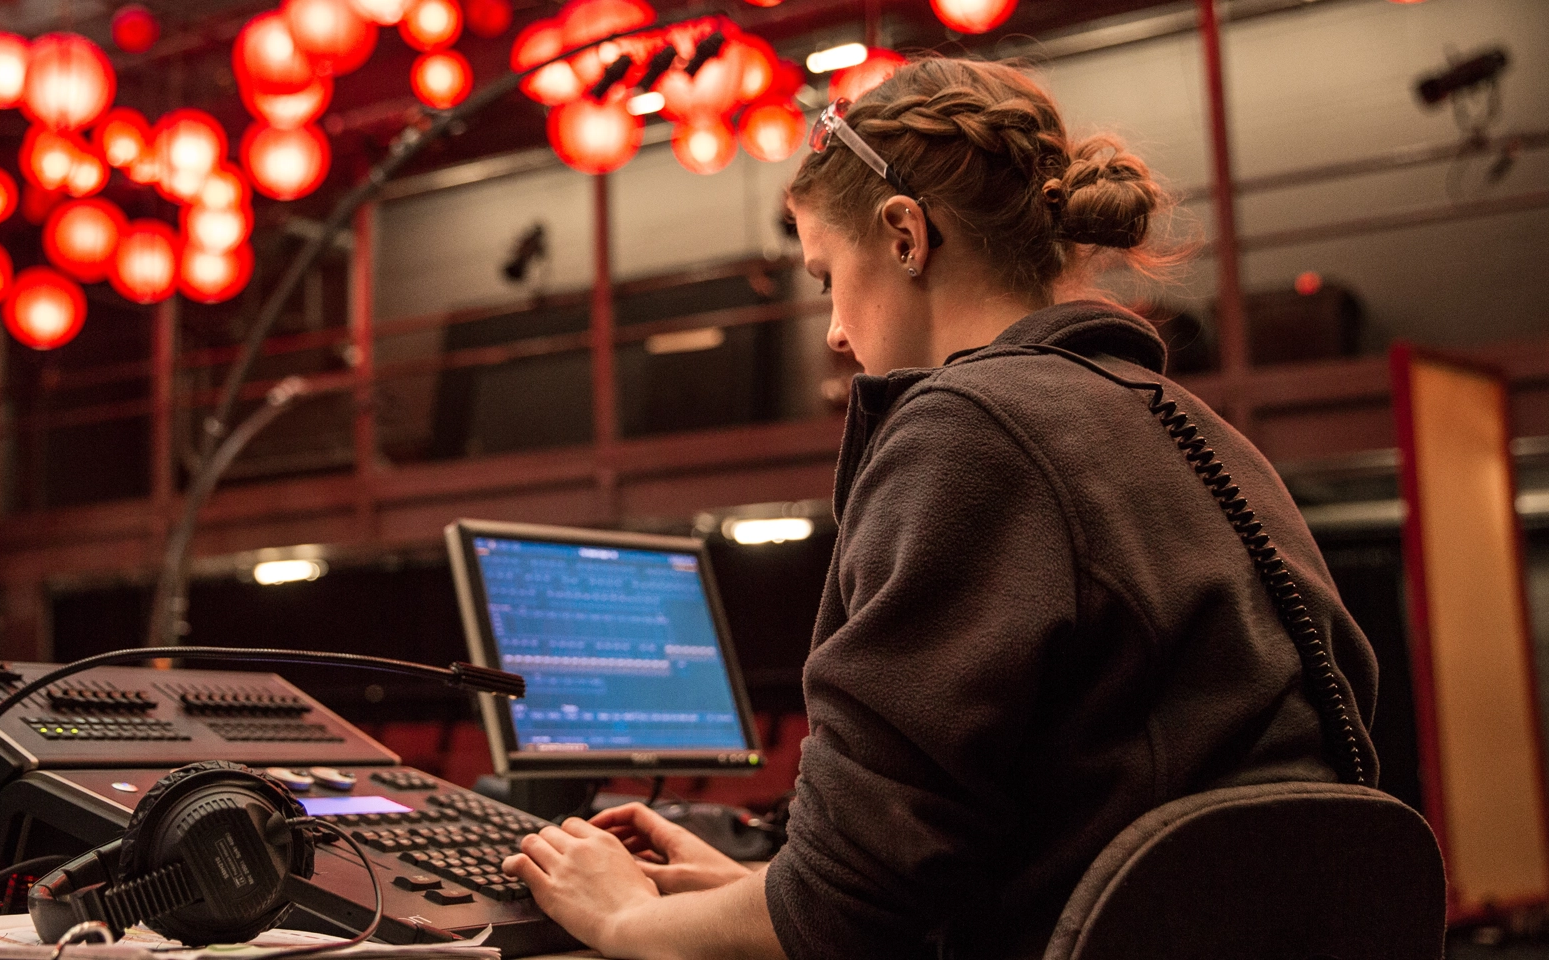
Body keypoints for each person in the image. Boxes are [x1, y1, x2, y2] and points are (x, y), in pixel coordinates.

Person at [500, 55, 1381, 960]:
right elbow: (967, 862)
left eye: (825, 276)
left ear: (904, 235)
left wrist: (626, 918)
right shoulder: (1206, 434)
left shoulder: (970, 429)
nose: (837, 331)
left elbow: (848, 916)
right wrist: (760, 892)